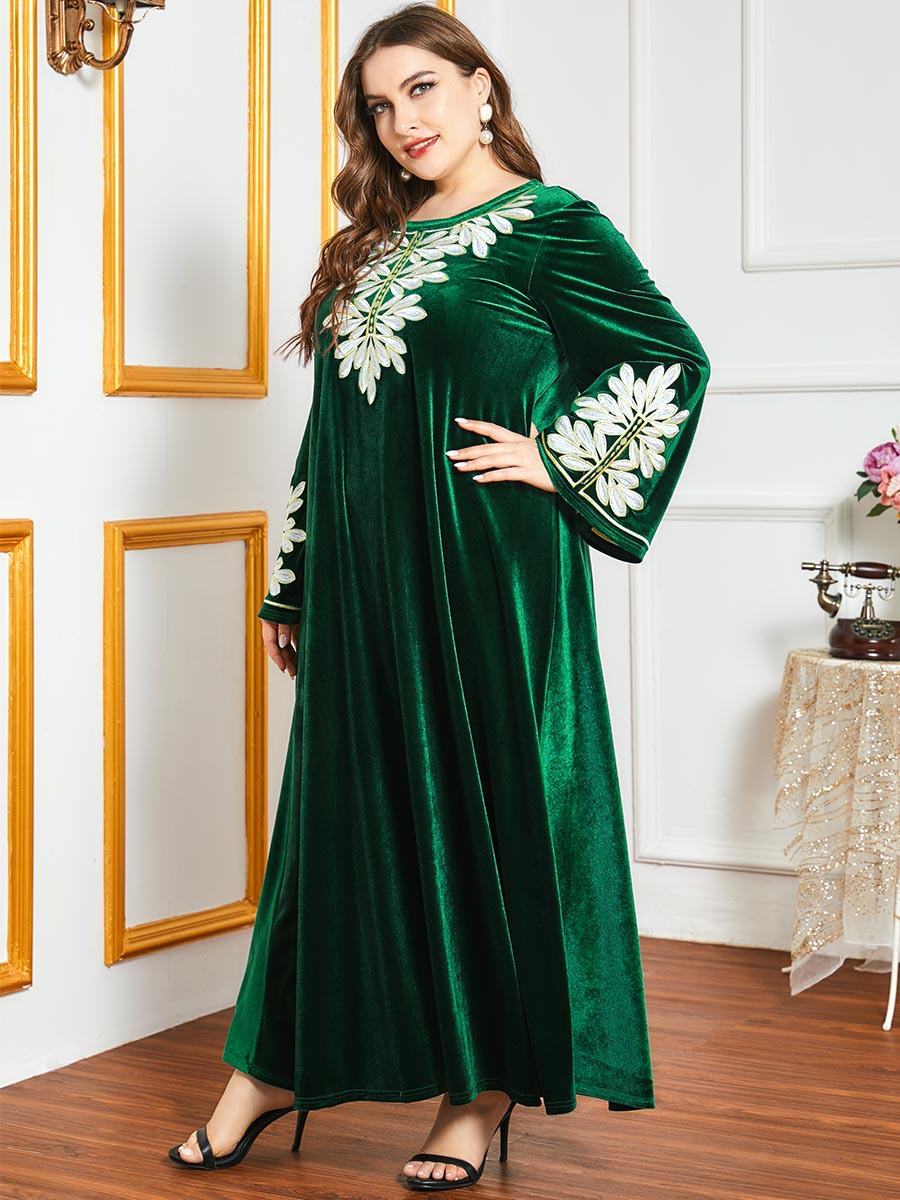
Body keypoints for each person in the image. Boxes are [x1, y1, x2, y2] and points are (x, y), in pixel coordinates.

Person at [168, 2, 711, 1190]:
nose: (402, 121)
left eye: (421, 88)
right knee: (338, 821)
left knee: (487, 813)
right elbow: (331, 431)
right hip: (364, 578)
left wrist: (561, 460)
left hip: (486, 571)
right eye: (379, 106)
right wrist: (296, 581)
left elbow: (671, 355)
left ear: (479, 87)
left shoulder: (553, 227)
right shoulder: (369, 242)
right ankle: (269, 1068)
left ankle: (481, 1092)